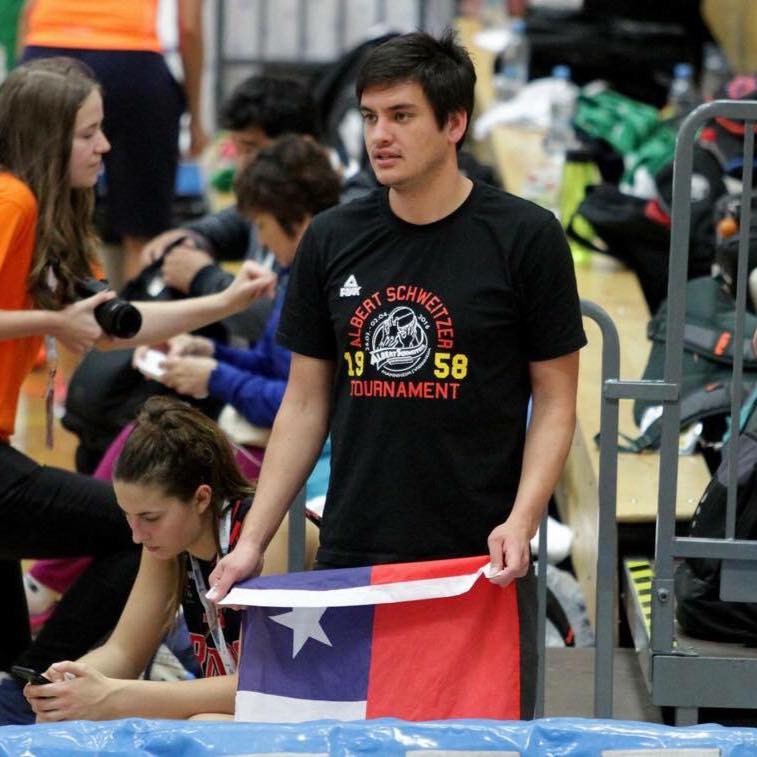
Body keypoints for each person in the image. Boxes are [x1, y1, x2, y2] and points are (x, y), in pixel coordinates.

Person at [207, 30, 587, 717]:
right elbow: (302, 404)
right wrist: (253, 539)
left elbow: (556, 400)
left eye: (402, 116)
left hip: (474, 561)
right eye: (371, 116)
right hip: (357, 547)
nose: (379, 134)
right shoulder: (331, 237)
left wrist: (521, 518)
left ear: (453, 123)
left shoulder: (525, 237)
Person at [0, 57, 274, 677]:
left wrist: (223, 301)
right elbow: (70, 327)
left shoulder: (36, 214)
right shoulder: (11, 199)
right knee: (142, 530)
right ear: (47, 139)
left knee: (9, 659)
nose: (106, 145)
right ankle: (46, 681)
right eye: (88, 133)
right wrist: (51, 323)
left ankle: (33, 685)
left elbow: (111, 330)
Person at [23, 396, 253, 721]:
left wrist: (115, 695)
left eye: (149, 517)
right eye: (128, 516)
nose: (137, 535)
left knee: (203, 724)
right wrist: (68, 683)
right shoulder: (170, 541)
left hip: (314, 711)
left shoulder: (267, 534)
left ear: (202, 498)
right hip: (242, 704)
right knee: (65, 713)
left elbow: (265, 687)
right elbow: (125, 651)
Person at [141, 136, 342, 444]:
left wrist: (215, 376)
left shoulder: (333, 287)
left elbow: (303, 403)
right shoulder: (295, 273)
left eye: (261, 225)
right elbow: (269, 363)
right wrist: (209, 352)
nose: (260, 242)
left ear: (299, 220)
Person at [18, 0, 208, 283]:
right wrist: (195, 117)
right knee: (142, 233)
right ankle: (131, 318)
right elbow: (189, 28)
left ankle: (38, 319)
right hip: (131, 63)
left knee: (35, 217)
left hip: (45, 53)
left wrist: (26, 79)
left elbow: (29, 12)